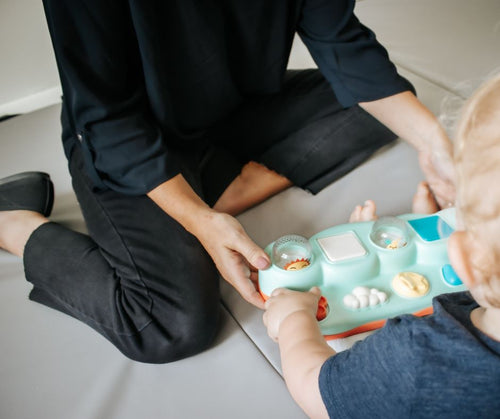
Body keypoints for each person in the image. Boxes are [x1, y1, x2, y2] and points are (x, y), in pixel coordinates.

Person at [0, 0, 453, 363]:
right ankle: (15, 223)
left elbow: (343, 42)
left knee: (373, 109)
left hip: (232, 109)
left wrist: (436, 144)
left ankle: (221, 195)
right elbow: (106, 118)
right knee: (168, 326)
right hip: (134, 137)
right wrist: (197, 218)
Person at [262, 74, 500, 418]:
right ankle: (435, 228)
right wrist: (434, 235)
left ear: (464, 257)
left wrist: (293, 321)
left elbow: (316, 392)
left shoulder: (420, 359)